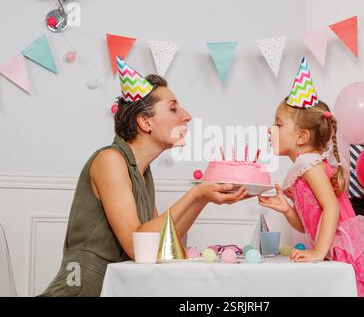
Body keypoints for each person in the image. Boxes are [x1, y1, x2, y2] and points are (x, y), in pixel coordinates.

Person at [40, 57, 248, 296]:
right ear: (145, 122)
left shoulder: (143, 172)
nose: (187, 116)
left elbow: (161, 242)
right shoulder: (110, 160)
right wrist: (195, 193)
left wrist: (203, 198)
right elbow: (137, 246)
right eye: (173, 108)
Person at [257, 57, 364, 297]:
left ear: (301, 137)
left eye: (278, 124)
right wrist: (287, 209)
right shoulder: (303, 169)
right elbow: (307, 224)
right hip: (337, 252)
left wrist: (318, 252)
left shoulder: (310, 165)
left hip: (350, 254)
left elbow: (331, 207)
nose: (270, 129)